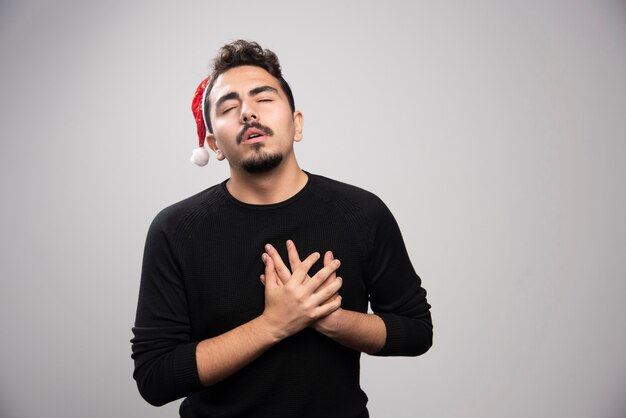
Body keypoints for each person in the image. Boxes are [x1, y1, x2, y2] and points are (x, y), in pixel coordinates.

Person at [131, 40, 433, 418]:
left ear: (297, 123)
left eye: (264, 99)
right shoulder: (175, 230)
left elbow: (417, 331)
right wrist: (274, 324)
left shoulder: (361, 213)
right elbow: (155, 377)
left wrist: (332, 320)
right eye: (228, 106)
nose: (247, 113)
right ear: (214, 145)